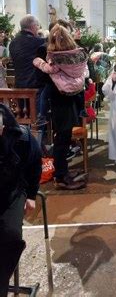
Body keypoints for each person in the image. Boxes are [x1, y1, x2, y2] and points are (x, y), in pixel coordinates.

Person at [33, 23, 88, 190]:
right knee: (62, 139)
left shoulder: (50, 53)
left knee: (63, 138)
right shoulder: (75, 52)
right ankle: (61, 176)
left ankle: (63, 173)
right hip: (65, 99)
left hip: (60, 98)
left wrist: (53, 74)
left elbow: (42, 78)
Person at [0, 104, 41, 296]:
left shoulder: (22, 138)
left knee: (9, 235)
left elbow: (35, 164)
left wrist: (32, 195)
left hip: (13, 190)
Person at [9, 15, 45, 89]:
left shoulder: (13, 42)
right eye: (38, 25)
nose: (38, 28)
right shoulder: (39, 42)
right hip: (36, 87)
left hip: (19, 86)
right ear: (33, 26)